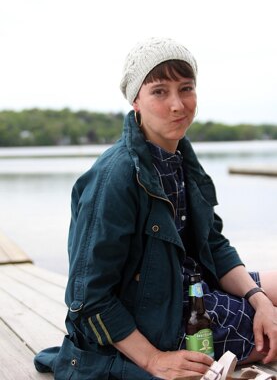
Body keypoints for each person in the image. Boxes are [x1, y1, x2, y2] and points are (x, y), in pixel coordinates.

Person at [34, 37, 277, 380]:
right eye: (160, 92)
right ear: (136, 100)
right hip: (160, 323)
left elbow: (214, 246)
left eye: (186, 88)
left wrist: (259, 299)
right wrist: (153, 361)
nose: (178, 105)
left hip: (190, 290)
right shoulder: (114, 178)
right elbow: (86, 299)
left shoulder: (182, 161)